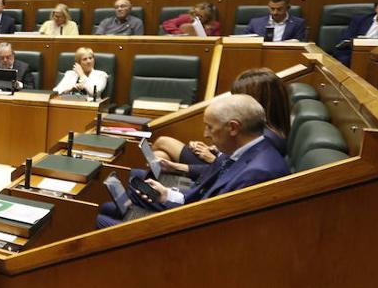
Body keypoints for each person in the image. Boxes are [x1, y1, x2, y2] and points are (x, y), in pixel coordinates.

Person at [98, 94, 289, 228]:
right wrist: (167, 195)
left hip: (188, 236)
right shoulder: (245, 151)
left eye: (210, 127)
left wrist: (154, 218)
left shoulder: (256, 174)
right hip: (191, 209)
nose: (205, 135)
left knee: (101, 218)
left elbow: (205, 224)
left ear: (233, 128)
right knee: (111, 204)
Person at [152, 67, 291, 176]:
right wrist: (216, 151)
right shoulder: (270, 129)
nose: (234, 101)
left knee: (162, 143)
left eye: (238, 97)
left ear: (255, 101)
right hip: (217, 163)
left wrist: (212, 157)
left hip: (215, 167)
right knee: (161, 157)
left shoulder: (265, 140)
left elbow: (231, 171)